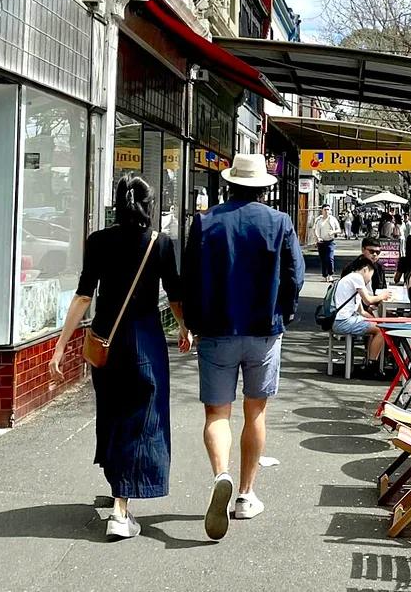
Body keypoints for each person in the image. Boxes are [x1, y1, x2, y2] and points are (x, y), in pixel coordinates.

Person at [49, 175, 193, 539]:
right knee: (142, 421)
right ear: (149, 206)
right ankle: (120, 508)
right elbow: (175, 295)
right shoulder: (160, 245)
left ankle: (117, 492)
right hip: (145, 343)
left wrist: (61, 345)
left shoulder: (98, 241)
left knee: (113, 414)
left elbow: (83, 297)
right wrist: (184, 328)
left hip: (105, 342)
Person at [182, 153, 305, 541]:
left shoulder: (204, 222)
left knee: (217, 414)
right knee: (256, 413)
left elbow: (188, 279)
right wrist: (282, 312)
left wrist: (194, 322)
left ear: (229, 183)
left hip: (216, 330)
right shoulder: (280, 223)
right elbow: (295, 277)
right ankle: (247, 495)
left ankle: (222, 474)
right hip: (263, 331)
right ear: (263, 188)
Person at [332, 256, 392, 372]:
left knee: (377, 327)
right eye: (370, 277)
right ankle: (372, 365)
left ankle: (368, 361)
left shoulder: (350, 280)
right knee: (381, 330)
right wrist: (382, 296)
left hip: (341, 320)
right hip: (344, 322)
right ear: (365, 269)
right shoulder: (356, 277)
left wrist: (377, 320)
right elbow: (368, 300)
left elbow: (362, 312)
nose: (368, 281)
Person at [313, 204, 341, 281]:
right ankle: (325, 275)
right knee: (323, 259)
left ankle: (330, 274)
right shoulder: (318, 220)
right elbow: (316, 230)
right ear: (322, 210)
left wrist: (333, 232)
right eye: (325, 209)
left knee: (330, 258)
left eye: (328, 209)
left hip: (330, 242)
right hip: (321, 242)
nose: (327, 211)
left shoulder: (332, 219)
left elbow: (339, 230)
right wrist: (318, 238)